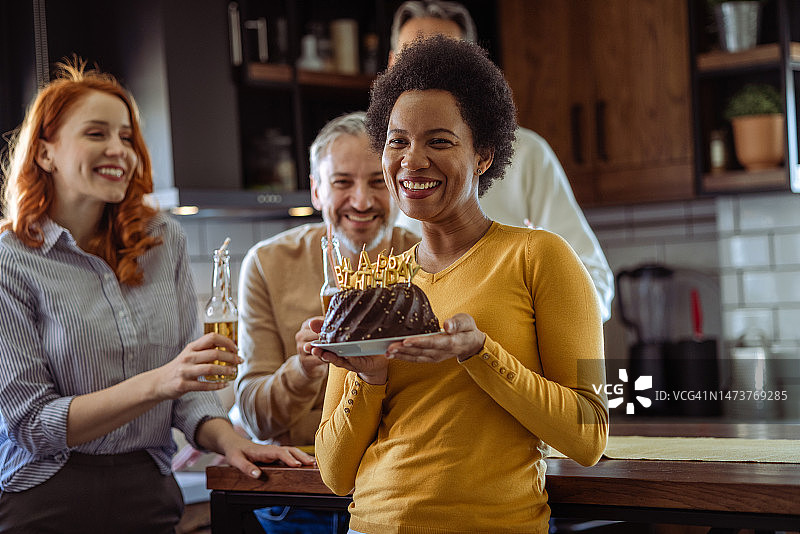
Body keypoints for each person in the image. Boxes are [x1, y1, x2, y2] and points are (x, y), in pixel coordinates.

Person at [0, 59, 314, 533]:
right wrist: (162, 381)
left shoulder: (162, 241)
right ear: (45, 153)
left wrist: (230, 441)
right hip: (46, 498)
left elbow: (187, 393)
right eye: (96, 134)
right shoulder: (11, 261)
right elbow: (33, 424)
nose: (118, 150)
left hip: (147, 493)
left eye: (126, 137)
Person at [310, 36, 608, 534]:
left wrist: (480, 353)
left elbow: (589, 437)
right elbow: (335, 474)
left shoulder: (541, 257)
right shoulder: (372, 280)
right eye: (397, 140)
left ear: (484, 154)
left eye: (439, 141)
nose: (412, 160)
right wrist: (370, 376)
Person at [234, 111, 419, 532]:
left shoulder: (425, 259)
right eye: (341, 183)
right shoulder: (267, 264)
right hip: (300, 495)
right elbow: (255, 416)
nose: (361, 200)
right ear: (316, 190)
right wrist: (304, 366)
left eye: (376, 181)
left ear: (396, 185)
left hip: (397, 489)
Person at [389, 0, 615, 321]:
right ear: (391, 65)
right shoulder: (369, 166)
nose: (428, 73)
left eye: (446, 61)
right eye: (414, 57)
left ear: (484, 158)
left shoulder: (527, 154)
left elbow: (594, 283)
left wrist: (515, 310)